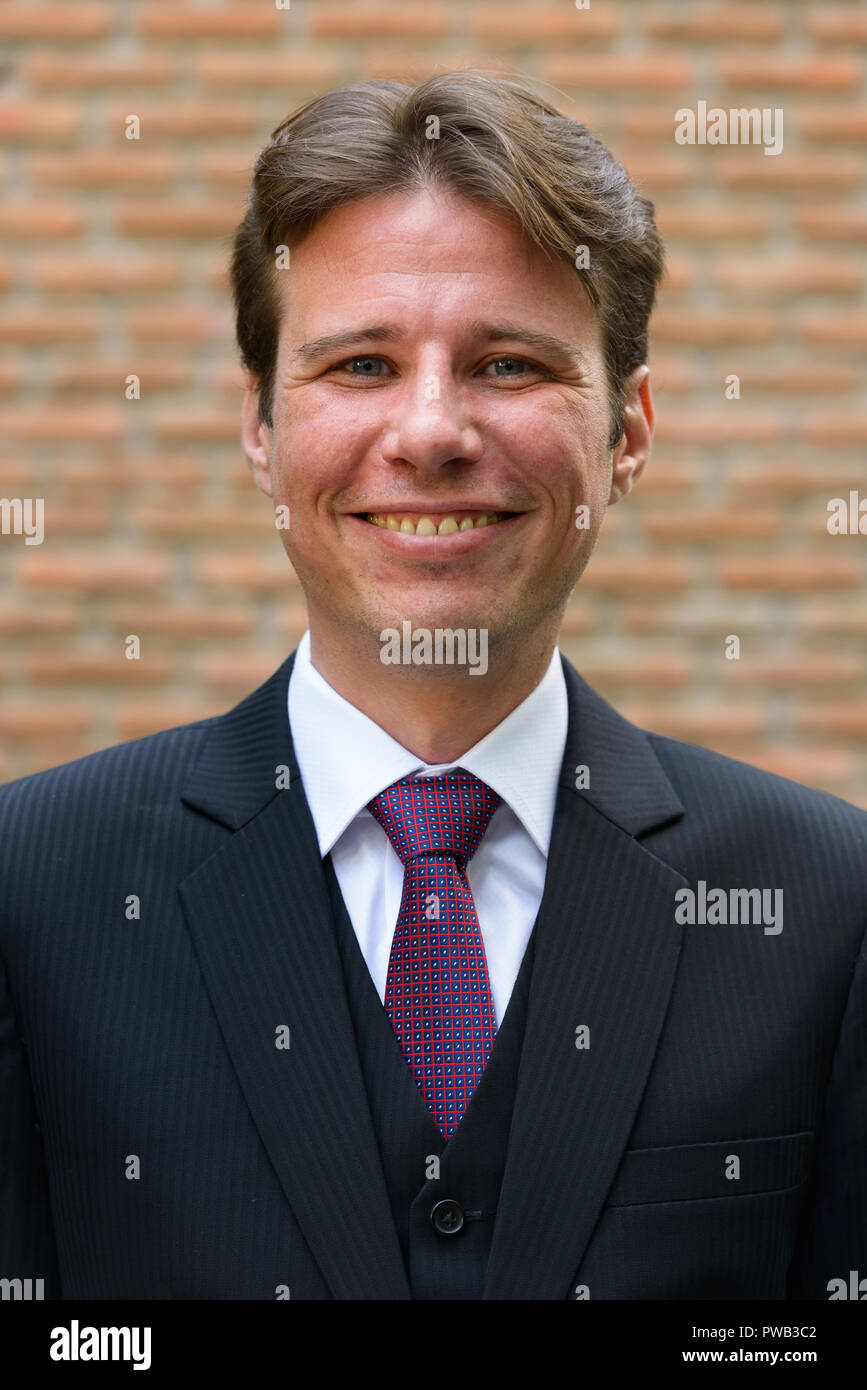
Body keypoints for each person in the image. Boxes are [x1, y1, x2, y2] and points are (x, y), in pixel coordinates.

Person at [1, 71, 864, 1302]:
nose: (431, 431)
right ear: (259, 428)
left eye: (508, 364)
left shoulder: (826, 907)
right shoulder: (31, 892)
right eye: (359, 364)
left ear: (628, 431)